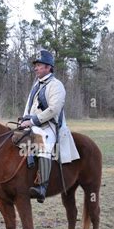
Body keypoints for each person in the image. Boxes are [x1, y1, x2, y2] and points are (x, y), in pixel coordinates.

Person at [20, 50, 79, 203]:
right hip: (33, 124)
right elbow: (29, 107)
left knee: (42, 145)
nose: (36, 68)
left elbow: (54, 109)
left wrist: (32, 121)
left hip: (50, 127)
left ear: (48, 67)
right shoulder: (36, 85)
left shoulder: (56, 85)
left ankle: (42, 187)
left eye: (39, 65)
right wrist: (24, 120)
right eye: (36, 65)